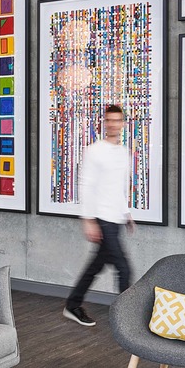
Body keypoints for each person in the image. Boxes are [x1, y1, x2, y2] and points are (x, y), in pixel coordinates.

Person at [63, 104, 133, 327]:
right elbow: (86, 184)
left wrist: (126, 213)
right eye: (109, 120)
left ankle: (73, 305)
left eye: (117, 120)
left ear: (122, 123)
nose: (113, 124)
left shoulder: (124, 153)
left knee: (95, 267)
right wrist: (89, 220)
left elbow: (120, 186)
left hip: (116, 219)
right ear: (104, 123)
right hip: (101, 219)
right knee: (124, 268)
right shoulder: (94, 150)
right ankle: (128, 321)